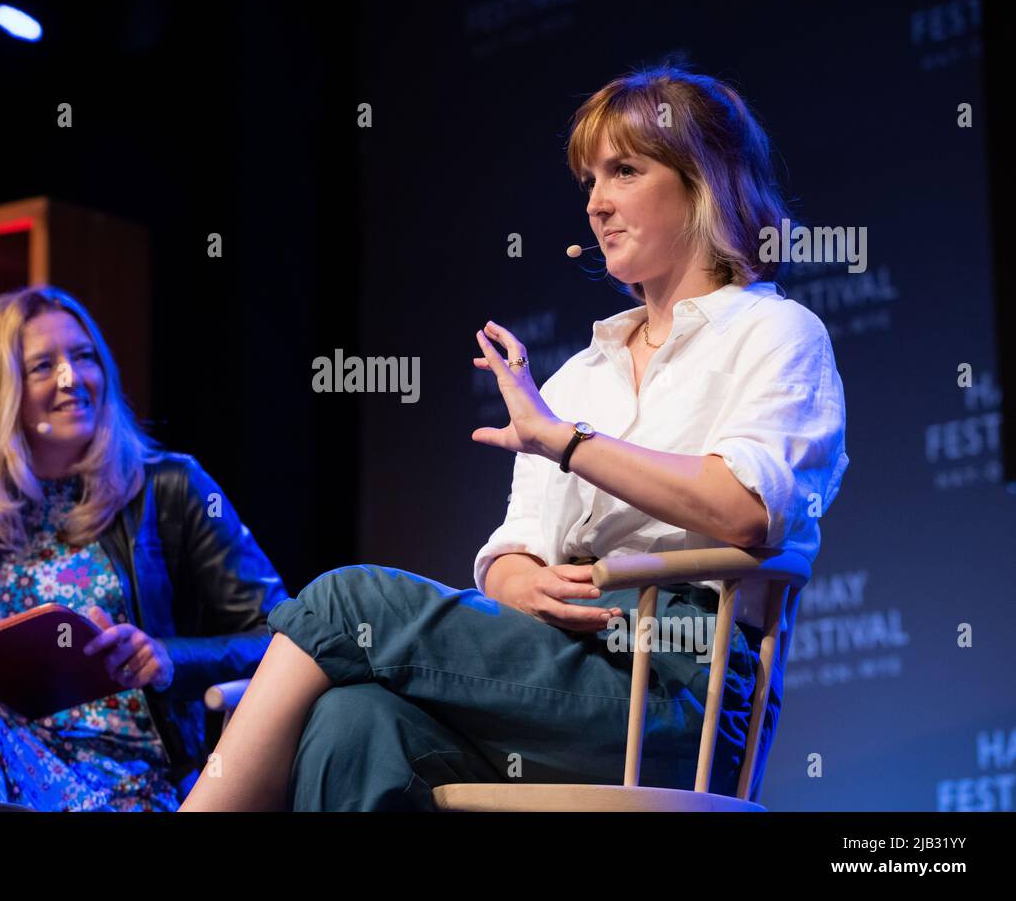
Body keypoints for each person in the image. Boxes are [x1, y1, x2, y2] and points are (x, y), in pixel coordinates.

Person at [179, 66, 850, 811]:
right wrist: (514, 579)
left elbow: (746, 508)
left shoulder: (775, 332)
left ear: (704, 184)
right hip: (559, 670)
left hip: (676, 686)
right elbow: (517, 545)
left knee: (348, 600)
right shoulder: (575, 379)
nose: (596, 204)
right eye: (589, 180)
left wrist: (567, 442)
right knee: (353, 721)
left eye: (624, 171)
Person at [0, 285, 287, 811]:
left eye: (83, 357)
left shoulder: (168, 488)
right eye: (42, 366)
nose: (73, 378)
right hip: (6, 763)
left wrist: (167, 658)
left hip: (132, 775)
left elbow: (283, 638)